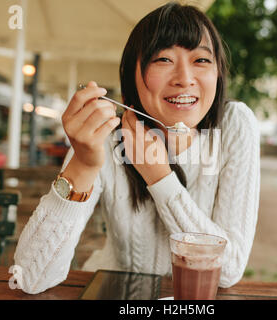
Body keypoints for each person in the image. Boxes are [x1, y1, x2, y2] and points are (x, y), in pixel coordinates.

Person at [14, 2, 260, 294]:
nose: (184, 78)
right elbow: (30, 277)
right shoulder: (105, 136)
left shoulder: (234, 124)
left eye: (202, 60)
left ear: (218, 73)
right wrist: (83, 164)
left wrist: (159, 176)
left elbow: (227, 269)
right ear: (132, 73)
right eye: (163, 59)